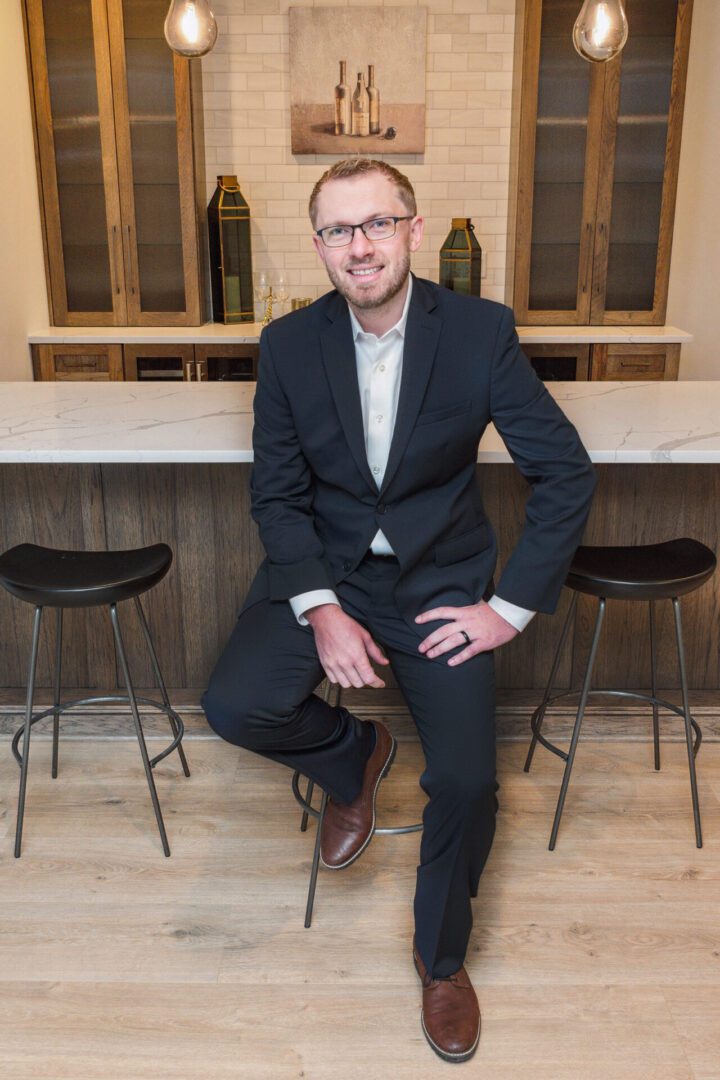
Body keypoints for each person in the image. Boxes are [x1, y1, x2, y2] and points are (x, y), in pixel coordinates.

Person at [202, 157, 596, 1063]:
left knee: (465, 781)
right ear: (319, 248)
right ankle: (355, 756)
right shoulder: (289, 345)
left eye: (377, 224)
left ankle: (442, 962)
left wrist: (507, 609)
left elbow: (565, 472)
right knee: (233, 703)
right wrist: (320, 608)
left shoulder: (480, 333)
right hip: (329, 573)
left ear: (414, 230)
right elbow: (277, 495)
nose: (360, 246)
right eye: (339, 231)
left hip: (440, 586)